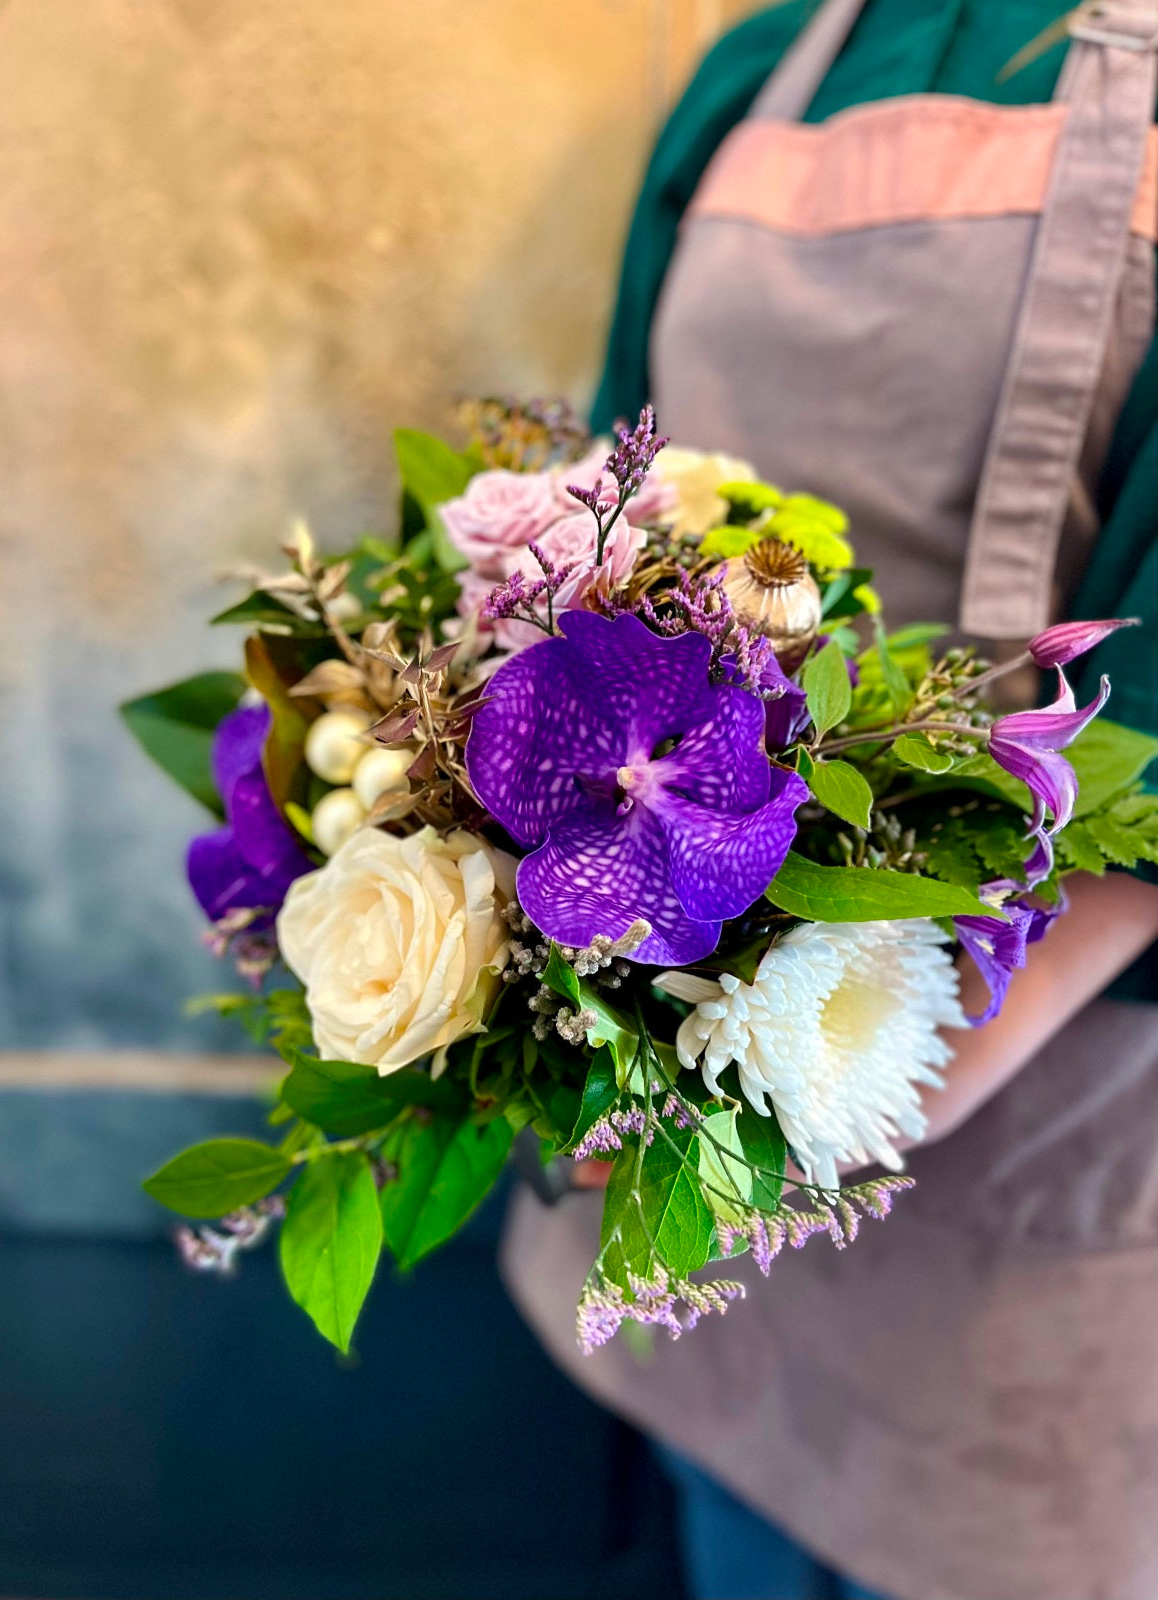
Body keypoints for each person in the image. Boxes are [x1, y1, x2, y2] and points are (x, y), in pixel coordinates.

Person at [502, 4, 1158, 1598]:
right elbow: (616, 507)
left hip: (1028, 1152)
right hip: (684, 1124)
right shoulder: (770, 54)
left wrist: (797, 1118)